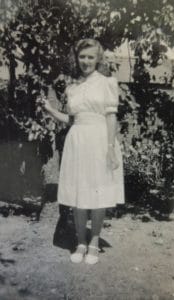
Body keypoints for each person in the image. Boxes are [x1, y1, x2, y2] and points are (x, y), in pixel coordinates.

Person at [44, 39, 124, 265]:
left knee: (98, 195)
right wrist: (50, 110)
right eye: (82, 57)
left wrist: (110, 148)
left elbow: (111, 116)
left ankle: (94, 243)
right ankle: (80, 242)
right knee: (79, 195)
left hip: (99, 140)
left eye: (90, 57)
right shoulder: (73, 87)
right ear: (76, 58)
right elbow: (71, 119)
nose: (86, 61)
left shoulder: (107, 82)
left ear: (98, 58)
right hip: (77, 141)